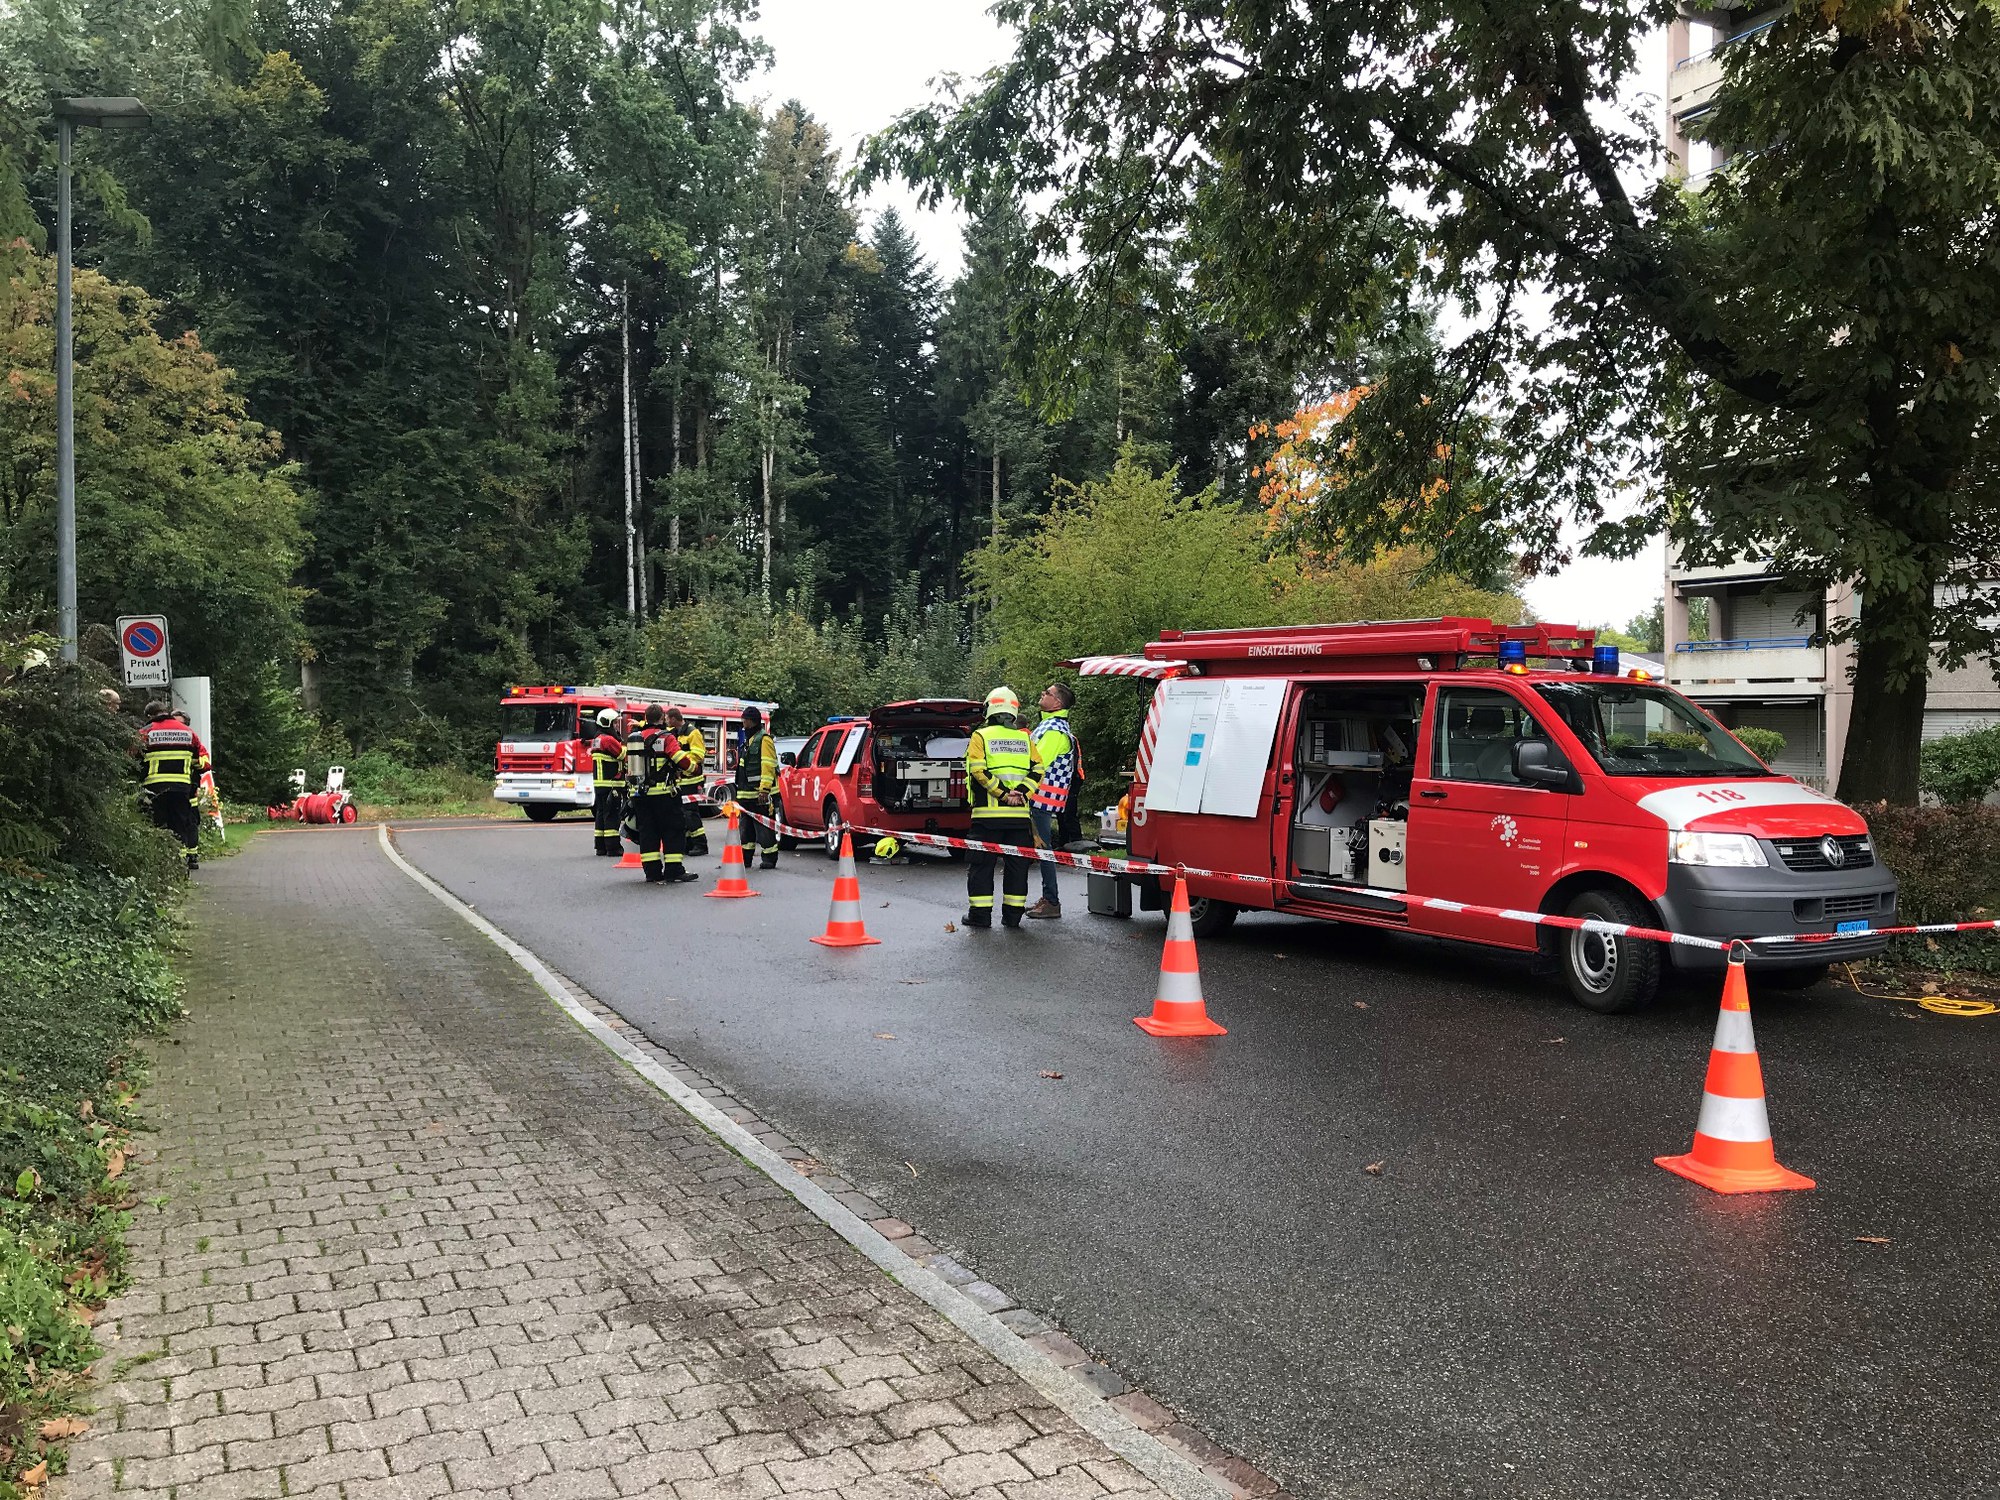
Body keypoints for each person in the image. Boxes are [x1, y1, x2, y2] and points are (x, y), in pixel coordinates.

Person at [964, 686, 1041, 929]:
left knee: (981, 867)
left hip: (987, 818)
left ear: (989, 709)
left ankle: (980, 916)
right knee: (1017, 868)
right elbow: (1038, 770)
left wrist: (1004, 794)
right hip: (1019, 818)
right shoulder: (1025, 738)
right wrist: (1022, 793)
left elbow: (978, 771)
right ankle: (1012, 917)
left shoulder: (980, 736)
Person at [1025, 682, 1078, 919]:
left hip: (1041, 797)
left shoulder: (1055, 731)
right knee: (1040, 849)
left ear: (1057, 702)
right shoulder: (1051, 725)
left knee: (1043, 850)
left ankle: (1051, 900)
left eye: (1047, 693)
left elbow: (1037, 762)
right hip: (1039, 797)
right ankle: (1048, 898)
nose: (1042, 694)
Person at [138, 700, 210, 870]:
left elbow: (132, 758)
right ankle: (180, 864)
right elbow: (201, 762)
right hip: (181, 787)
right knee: (180, 825)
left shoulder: (145, 732)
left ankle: (160, 864)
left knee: (157, 825)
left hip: (154, 788)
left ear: (150, 715)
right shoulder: (188, 733)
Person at [625, 706, 693, 883]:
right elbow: (679, 759)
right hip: (663, 794)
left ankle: (652, 872)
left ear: (645, 718)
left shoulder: (636, 738)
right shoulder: (666, 737)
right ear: (662, 718)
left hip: (640, 795)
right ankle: (674, 870)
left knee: (648, 833)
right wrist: (693, 768)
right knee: (673, 831)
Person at [733, 706, 780, 869]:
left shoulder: (764, 740)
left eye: (744, 721)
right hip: (746, 795)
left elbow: (768, 766)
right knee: (746, 830)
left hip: (759, 794)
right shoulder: (750, 740)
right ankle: (745, 859)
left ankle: (769, 858)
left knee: (764, 828)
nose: (743, 724)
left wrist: (764, 789)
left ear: (751, 721)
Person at [665, 707, 709, 858]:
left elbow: (699, 755)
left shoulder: (693, 733)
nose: (666, 721)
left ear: (673, 719)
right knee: (682, 814)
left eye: (667, 719)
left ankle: (700, 844)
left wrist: (681, 760)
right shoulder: (675, 732)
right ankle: (688, 844)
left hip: (691, 779)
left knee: (690, 813)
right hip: (680, 780)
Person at [588, 707, 626, 856]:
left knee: (601, 814)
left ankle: (601, 846)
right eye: (615, 723)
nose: (616, 726)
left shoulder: (597, 739)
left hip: (600, 784)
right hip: (611, 783)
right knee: (612, 815)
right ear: (607, 723)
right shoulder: (608, 740)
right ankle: (613, 847)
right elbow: (622, 755)